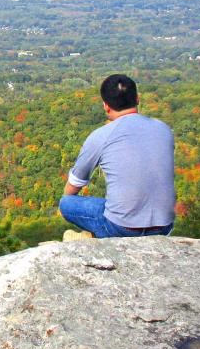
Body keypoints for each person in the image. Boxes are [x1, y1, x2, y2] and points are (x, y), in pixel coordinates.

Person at [59, 74, 175, 238]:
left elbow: (75, 183)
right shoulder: (163, 129)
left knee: (66, 203)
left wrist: (68, 197)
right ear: (137, 99)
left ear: (106, 106)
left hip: (121, 228)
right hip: (163, 226)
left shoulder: (101, 135)